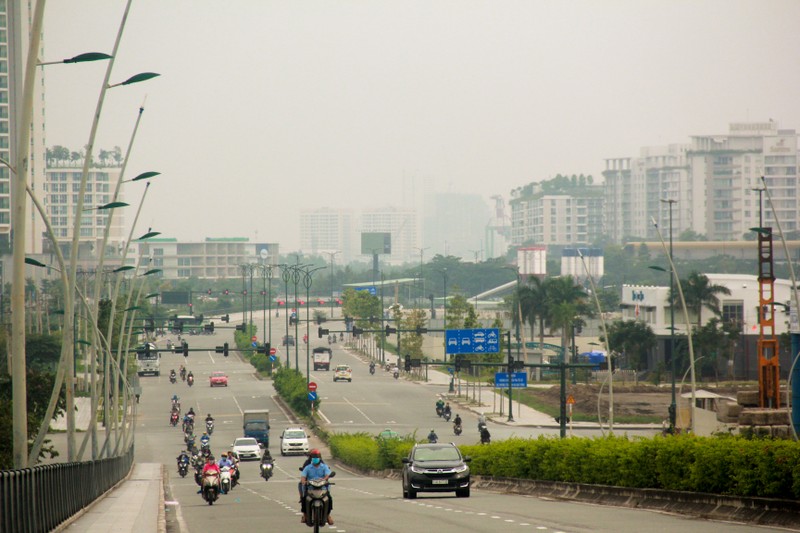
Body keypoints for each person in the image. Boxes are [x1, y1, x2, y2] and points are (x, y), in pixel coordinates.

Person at [299, 449, 334, 525]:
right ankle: (305, 515)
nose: (315, 458)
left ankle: (328, 515)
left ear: (320, 458)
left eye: (317, 457)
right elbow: (303, 476)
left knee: (329, 499)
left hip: (323, 488)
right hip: (310, 489)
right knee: (304, 499)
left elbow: (327, 474)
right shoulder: (307, 467)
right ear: (311, 458)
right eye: (314, 457)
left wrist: (325, 479)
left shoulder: (324, 467)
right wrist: (304, 481)